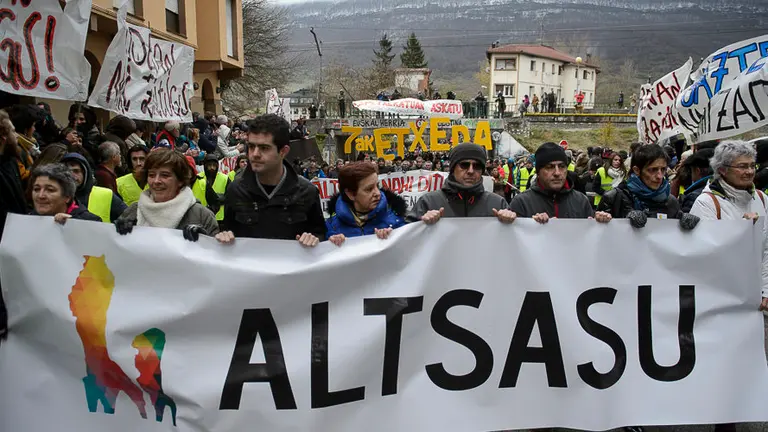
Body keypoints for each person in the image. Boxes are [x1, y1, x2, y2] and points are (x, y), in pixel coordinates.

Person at [689, 140, 768, 432]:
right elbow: (705, 253)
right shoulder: (707, 203)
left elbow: (767, 250)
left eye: (752, 165)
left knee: (750, 364)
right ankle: (724, 423)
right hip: (721, 300)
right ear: (723, 170)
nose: (750, 172)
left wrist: (765, 290)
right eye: (743, 166)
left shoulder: (761, 198)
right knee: (723, 367)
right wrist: (740, 231)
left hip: (754, 300)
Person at [223, 114, 326, 246]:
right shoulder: (236, 189)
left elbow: (321, 236)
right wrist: (223, 237)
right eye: (251, 146)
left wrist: (313, 239)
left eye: (264, 148)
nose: (254, 154)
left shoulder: (307, 192)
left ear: (283, 151)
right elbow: (228, 235)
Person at [115, 148, 223, 242]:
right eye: (151, 175)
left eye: (165, 175)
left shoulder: (202, 216)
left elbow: (216, 259)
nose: (156, 181)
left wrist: (205, 241)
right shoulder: (134, 211)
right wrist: (118, 235)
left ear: (180, 180)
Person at [406, 143, 517, 223]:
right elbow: (405, 240)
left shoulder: (498, 204)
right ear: (453, 168)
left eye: (477, 166)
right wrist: (421, 223)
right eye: (464, 165)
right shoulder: (428, 203)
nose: (470, 171)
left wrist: (511, 222)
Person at [597, 144, 698, 230]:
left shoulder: (671, 201)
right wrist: (604, 219)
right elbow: (600, 238)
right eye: (653, 170)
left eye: (663, 169)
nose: (659, 176)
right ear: (637, 170)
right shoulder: (613, 198)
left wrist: (684, 222)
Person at [509, 143, 609, 222]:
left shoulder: (581, 201)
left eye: (561, 166)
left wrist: (600, 222)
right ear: (538, 172)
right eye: (550, 167)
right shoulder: (521, 203)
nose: (557, 173)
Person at [326, 162, 406, 245]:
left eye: (377, 186)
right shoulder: (332, 227)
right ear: (350, 194)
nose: (377, 193)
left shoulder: (395, 220)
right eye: (369, 189)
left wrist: (393, 237)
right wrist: (333, 244)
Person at [61, 153, 127, 223]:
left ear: (85, 173)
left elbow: (130, 218)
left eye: (76, 171)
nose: (71, 176)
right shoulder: (54, 196)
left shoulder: (105, 195)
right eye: (67, 172)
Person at [29, 164, 100, 223]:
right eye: (36, 189)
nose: (41, 196)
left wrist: (74, 226)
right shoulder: (27, 220)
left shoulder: (90, 222)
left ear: (67, 196)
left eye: (50, 190)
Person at [679, 148, 714, 213]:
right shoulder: (720, 189)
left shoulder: (693, 197)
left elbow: (686, 222)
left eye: (691, 170)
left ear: (697, 171)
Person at [202, 154, 229, 222]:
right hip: (201, 216)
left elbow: (231, 196)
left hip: (219, 218)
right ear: (205, 166)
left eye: (214, 166)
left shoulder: (225, 178)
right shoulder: (198, 178)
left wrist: (219, 199)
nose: (212, 168)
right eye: (209, 165)